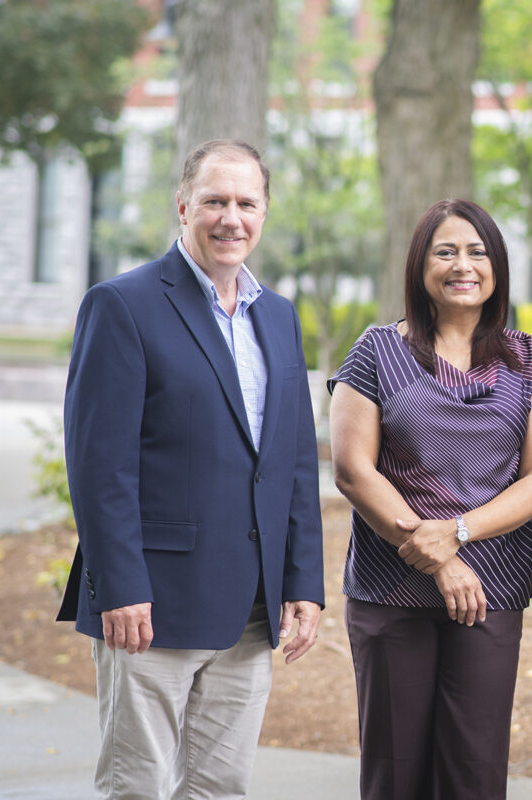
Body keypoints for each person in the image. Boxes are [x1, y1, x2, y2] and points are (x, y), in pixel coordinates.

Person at [57, 139, 326, 799]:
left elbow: (293, 460)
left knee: (220, 788)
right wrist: (119, 585)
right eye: (214, 201)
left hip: (251, 608)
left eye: (246, 203)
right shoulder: (122, 305)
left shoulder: (278, 316)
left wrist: (303, 581)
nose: (231, 218)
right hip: (152, 605)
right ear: (183, 207)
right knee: (138, 786)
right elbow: (100, 465)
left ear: (264, 213)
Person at [328, 198, 532, 800]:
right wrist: (437, 557)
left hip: (491, 592)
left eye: (478, 252)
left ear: (497, 267)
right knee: (395, 773)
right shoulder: (377, 351)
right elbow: (353, 471)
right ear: (420, 266)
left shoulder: (531, 363)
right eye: (446, 252)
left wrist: (457, 532)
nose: (463, 265)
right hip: (392, 587)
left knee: (474, 774)